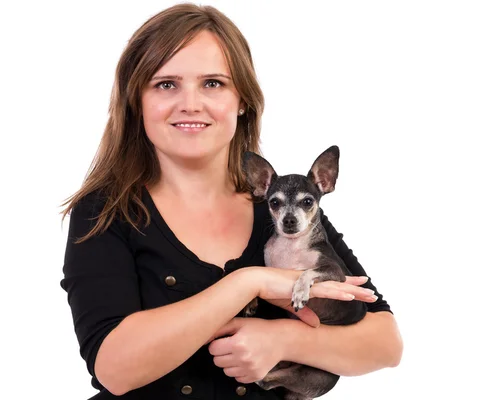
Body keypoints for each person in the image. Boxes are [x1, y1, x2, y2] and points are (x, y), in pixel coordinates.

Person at [60, 3, 403, 399]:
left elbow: (385, 342)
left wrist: (284, 340)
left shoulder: (279, 210)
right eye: (166, 84)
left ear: (242, 100)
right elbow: (114, 369)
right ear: (137, 102)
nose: (190, 103)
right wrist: (248, 281)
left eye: (213, 83)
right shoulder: (106, 212)